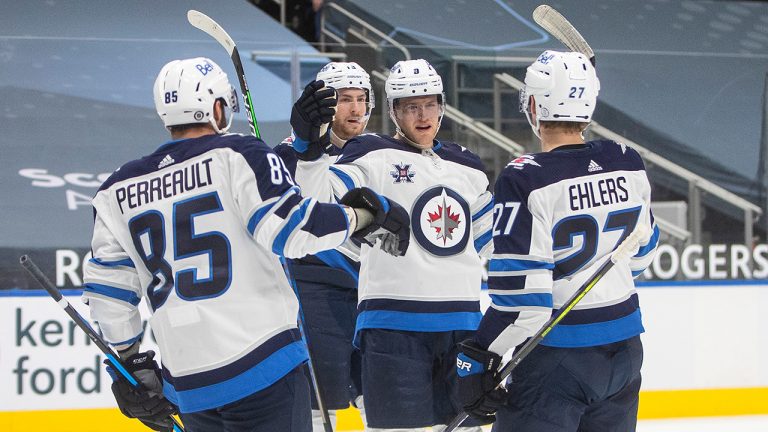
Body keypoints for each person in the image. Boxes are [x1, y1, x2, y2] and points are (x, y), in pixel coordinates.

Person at [81, 57, 410, 432]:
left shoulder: (116, 189)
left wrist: (128, 365)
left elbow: (108, 294)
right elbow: (295, 231)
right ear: (218, 107)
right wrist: (363, 216)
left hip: (190, 382)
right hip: (261, 365)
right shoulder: (238, 154)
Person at [455, 50, 659, 431]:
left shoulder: (525, 178)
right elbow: (642, 255)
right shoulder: (627, 160)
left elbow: (523, 304)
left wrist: (479, 354)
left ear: (533, 104)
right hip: (627, 352)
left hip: (559, 358)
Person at [290, 58, 494, 431]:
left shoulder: (469, 166)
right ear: (393, 111)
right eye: (410, 106)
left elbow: (495, 247)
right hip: (393, 330)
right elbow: (316, 206)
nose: (422, 115)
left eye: (429, 104)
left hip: (462, 330)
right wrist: (308, 151)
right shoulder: (369, 153)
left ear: (442, 105)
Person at [272, 61, 374, 430]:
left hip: (373, 291)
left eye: (362, 98)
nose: (356, 109)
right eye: (345, 99)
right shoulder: (289, 153)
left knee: (376, 399)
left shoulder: (375, 153)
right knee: (318, 405)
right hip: (315, 292)